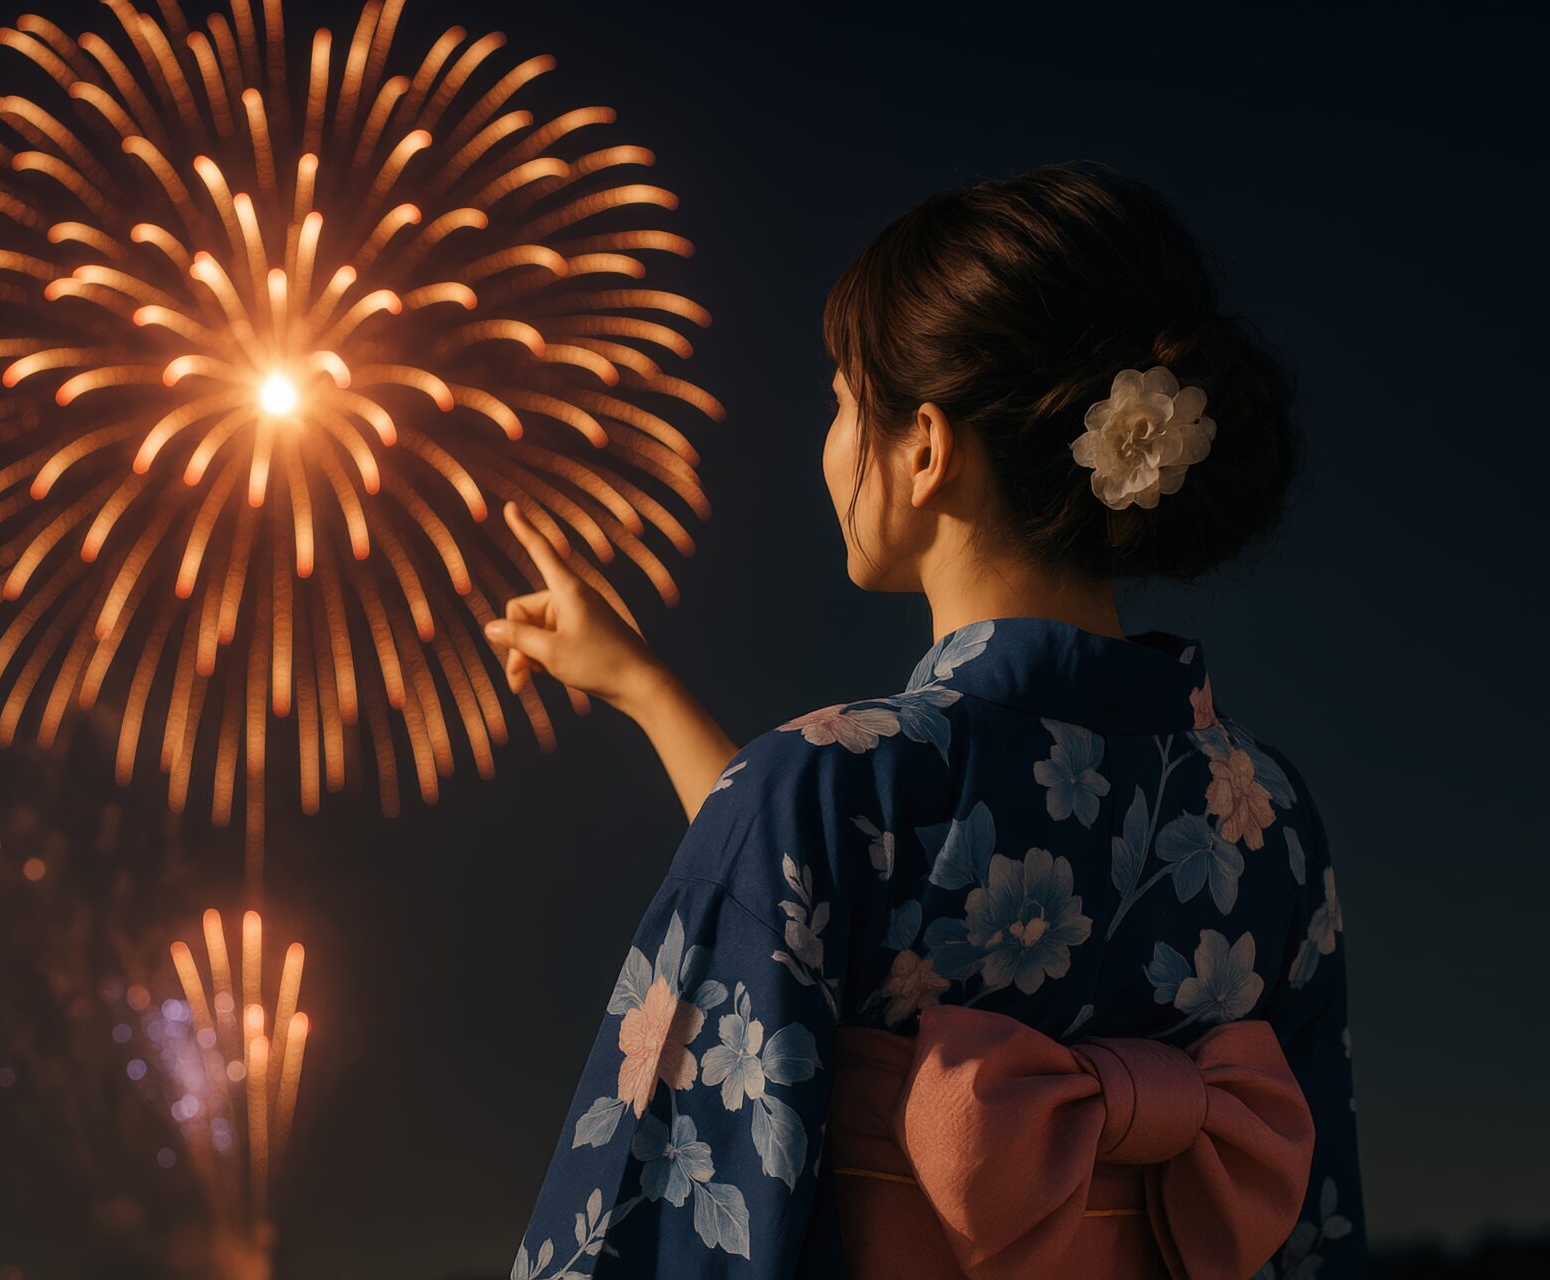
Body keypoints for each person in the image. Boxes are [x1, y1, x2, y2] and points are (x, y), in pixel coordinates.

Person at [488, 162, 1363, 1279]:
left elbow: (663, 1218)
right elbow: (1316, 1227)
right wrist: (647, 689)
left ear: (924, 447)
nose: (832, 440)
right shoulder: (1269, 814)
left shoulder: (823, 786)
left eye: (845, 401)